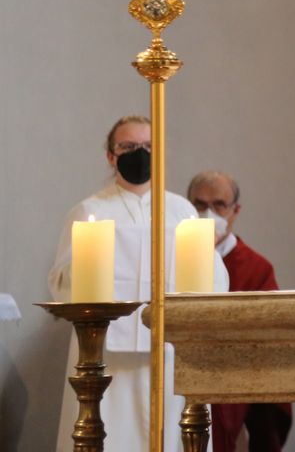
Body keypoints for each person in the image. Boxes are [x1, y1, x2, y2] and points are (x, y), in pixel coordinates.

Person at [49, 115, 230, 452]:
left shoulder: (182, 212)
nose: (139, 153)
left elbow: (215, 279)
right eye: (129, 147)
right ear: (110, 155)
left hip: (169, 351)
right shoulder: (90, 210)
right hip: (104, 355)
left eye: (148, 147)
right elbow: (60, 282)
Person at [187, 170, 291, 452]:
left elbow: (269, 337)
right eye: (199, 205)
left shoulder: (256, 268)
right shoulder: (170, 260)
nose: (209, 213)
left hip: (234, 377)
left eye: (219, 205)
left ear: (235, 210)